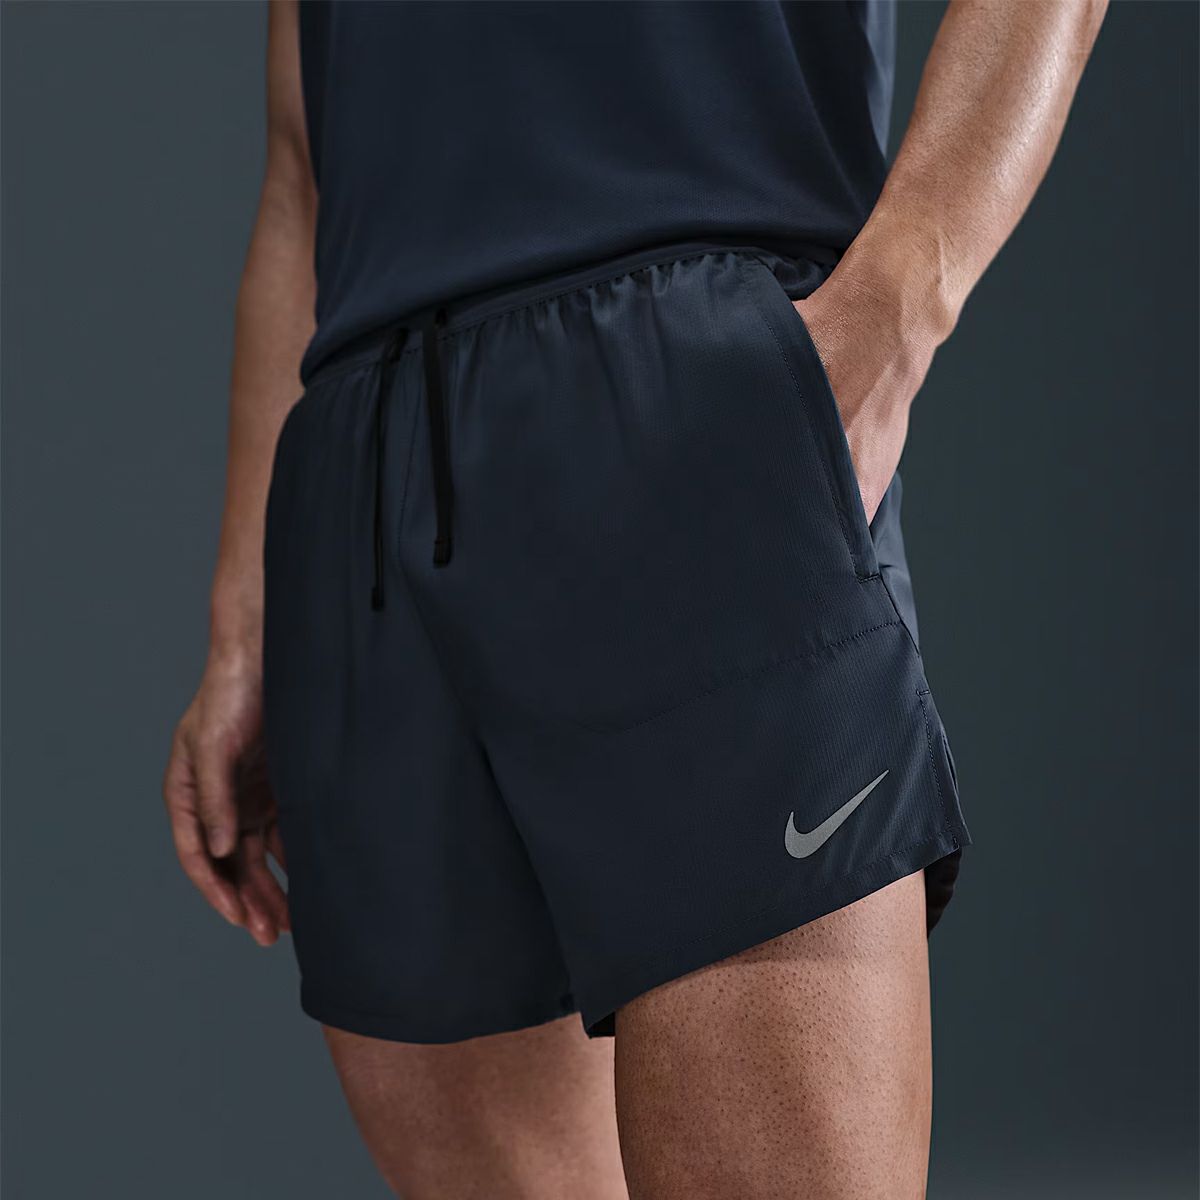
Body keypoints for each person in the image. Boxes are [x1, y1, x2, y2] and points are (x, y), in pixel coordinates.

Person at [163, 2, 1105, 1196]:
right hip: (365, 457)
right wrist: (245, 621)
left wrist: (895, 305)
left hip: (683, 383)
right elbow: (302, 158)